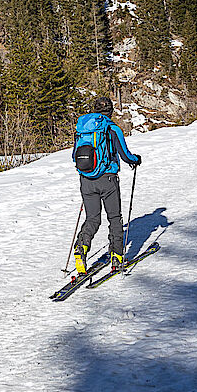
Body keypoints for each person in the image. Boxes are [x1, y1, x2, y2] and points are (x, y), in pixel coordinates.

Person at [72, 96, 141, 274]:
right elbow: (125, 155)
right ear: (110, 111)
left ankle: (81, 248)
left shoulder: (82, 129)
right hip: (108, 180)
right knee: (114, 218)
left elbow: (74, 156)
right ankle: (117, 256)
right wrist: (136, 160)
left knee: (92, 218)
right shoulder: (112, 128)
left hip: (86, 180)